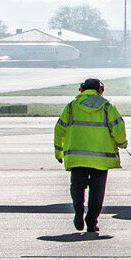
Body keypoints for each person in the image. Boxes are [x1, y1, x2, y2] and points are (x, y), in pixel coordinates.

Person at [54, 78, 127, 235]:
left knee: (77, 186)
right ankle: (92, 221)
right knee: (97, 191)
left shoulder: (71, 107)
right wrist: (122, 144)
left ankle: (78, 210)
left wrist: (58, 152)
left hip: (77, 157)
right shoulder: (108, 107)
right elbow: (118, 128)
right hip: (100, 158)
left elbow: (59, 129)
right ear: (100, 90)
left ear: (81, 89)